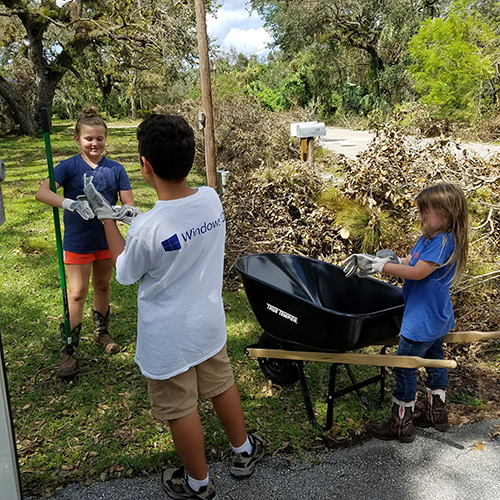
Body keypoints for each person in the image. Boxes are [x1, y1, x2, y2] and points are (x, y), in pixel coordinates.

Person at [82, 114, 265, 500]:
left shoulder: (149, 229)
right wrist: (140, 218)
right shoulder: (210, 197)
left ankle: (197, 484)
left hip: (169, 339)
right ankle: (243, 450)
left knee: (180, 407)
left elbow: (126, 272)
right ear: (189, 157)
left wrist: (107, 219)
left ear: (145, 166)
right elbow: (177, 227)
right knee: (221, 383)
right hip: (208, 324)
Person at [342, 183, 469, 443]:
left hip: (422, 319)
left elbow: (418, 273)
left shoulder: (444, 241)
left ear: (445, 214)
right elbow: (412, 263)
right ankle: (437, 414)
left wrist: (382, 267)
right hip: (436, 317)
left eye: (425, 212)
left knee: (404, 366)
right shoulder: (432, 238)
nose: (420, 217)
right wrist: (390, 259)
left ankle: (401, 424)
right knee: (435, 361)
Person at [35, 107, 135, 378]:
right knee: (77, 292)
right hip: (77, 241)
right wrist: (67, 203)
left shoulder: (116, 169)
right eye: (89, 138)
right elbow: (42, 192)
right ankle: (69, 347)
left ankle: (102, 333)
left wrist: (119, 212)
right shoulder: (69, 166)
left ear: (105, 140)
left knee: (102, 285)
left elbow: (128, 202)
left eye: (100, 138)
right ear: (77, 140)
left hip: (106, 240)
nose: (95, 144)